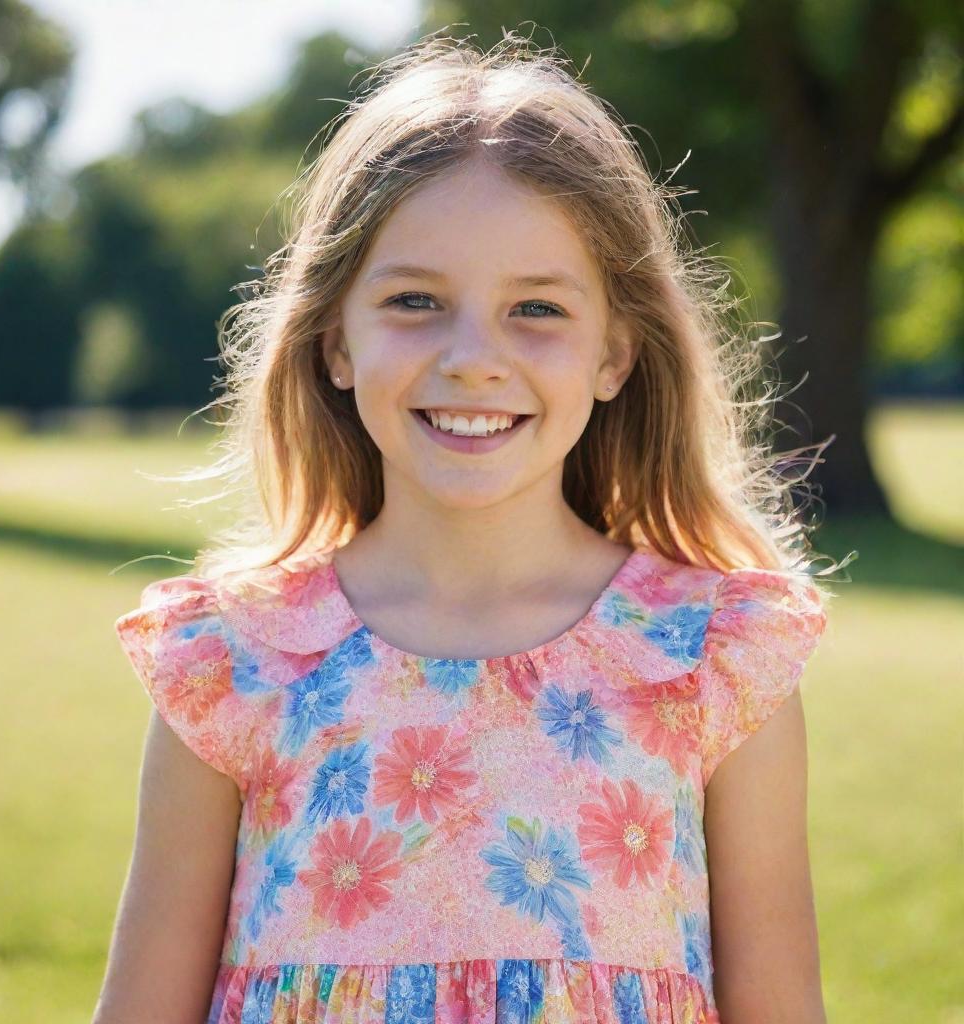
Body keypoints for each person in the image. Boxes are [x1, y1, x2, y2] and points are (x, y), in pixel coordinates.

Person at [94, 29, 837, 1024]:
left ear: (615, 351)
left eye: (536, 308)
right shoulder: (238, 663)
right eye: (415, 301)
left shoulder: (708, 658)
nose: (471, 358)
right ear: (335, 340)